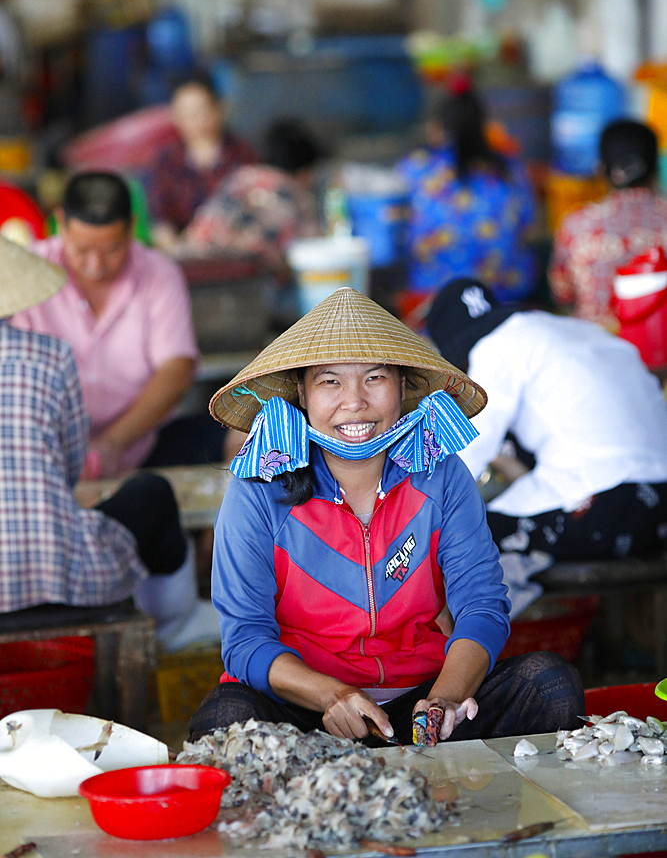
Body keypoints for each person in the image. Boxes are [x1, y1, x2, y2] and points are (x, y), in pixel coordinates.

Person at [189, 287, 584, 744]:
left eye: (374, 378)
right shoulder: (259, 487)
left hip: (421, 703)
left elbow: (481, 604)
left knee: (549, 685)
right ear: (302, 393)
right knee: (224, 719)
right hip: (306, 706)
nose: (354, 401)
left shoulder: (440, 474)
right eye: (330, 381)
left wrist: (446, 700)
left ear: (402, 386)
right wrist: (331, 696)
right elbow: (245, 639)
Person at [0, 235, 219, 651]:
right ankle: (177, 624)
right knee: (151, 492)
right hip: (55, 579)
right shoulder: (49, 356)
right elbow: (68, 468)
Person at [426, 277, 667, 561]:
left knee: (447, 537)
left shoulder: (494, 347)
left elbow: (462, 456)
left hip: (608, 506)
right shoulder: (572, 329)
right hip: (659, 500)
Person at [11, 170, 208, 478]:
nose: (96, 264)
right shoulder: (27, 273)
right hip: (45, 447)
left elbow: (177, 368)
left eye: (111, 250)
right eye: (82, 250)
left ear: (131, 226)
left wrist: (112, 444)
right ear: (60, 223)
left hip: (142, 442)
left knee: (237, 443)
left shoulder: (159, 274)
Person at [397, 76, 538, 305]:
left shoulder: (416, 170)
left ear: (436, 128)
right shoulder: (510, 170)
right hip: (504, 298)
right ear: (485, 127)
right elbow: (528, 226)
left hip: (433, 299)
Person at [549, 119, 667, 330]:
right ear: (656, 167)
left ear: (601, 169)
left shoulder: (577, 224)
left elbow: (563, 294)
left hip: (597, 351)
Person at [182, 118, 322, 270]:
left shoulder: (241, 177)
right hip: (242, 278)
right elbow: (314, 248)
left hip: (191, 264)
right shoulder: (294, 194)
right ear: (305, 171)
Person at [148, 74, 257, 250]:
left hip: (237, 251)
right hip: (187, 253)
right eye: (186, 113)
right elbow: (161, 221)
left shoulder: (243, 154)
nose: (195, 119)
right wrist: (178, 251)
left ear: (217, 109)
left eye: (201, 110)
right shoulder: (166, 161)